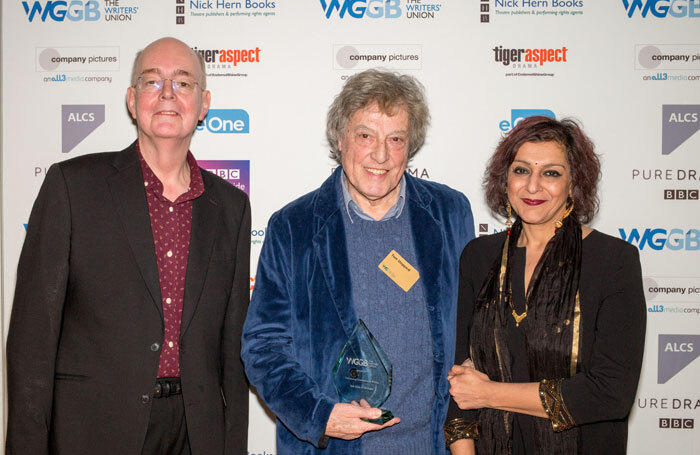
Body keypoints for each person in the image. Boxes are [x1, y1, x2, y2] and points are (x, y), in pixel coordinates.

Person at [6, 37, 251, 455]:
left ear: (204, 103)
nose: (168, 93)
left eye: (183, 83)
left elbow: (232, 352)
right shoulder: (72, 186)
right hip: (94, 430)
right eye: (153, 81)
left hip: (196, 432)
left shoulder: (231, 207)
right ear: (132, 100)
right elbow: (32, 341)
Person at [241, 69, 474, 454]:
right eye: (366, 135)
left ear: (410, 145)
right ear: (340, 137)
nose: (380, 155)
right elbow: (263, 347)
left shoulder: (450, 213)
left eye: (395, 139)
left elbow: (473, 333)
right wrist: (320, 416)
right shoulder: (293, 227)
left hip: (431, 446)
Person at [444, 116, 646, 454]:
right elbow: (459, 389)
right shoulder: (479, 257)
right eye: (521, 170)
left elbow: (610, 394)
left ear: (574, 183)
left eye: (551, 173)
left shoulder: (613, 260)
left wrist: (489, 393)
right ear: (504, 178)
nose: (533, 186)